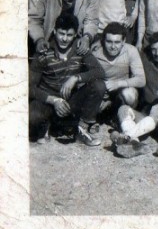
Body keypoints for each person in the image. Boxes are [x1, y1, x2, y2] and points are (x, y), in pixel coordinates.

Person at [29, 13, 105, 146]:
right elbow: (29, 87)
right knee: (32, 115)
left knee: (99, 85)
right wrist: (53, 100)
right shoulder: (44, 51)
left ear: (75, 34)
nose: (64, 39)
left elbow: (99, 72)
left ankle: (82, 127)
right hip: (48, 101)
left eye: (69, 35)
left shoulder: (80, 49)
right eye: (61, 33)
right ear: (54, 31)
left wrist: (76, 77)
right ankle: (48, 124)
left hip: (71, 101)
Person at [91, 22, 145, 115]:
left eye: (117, 42)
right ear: (103, 40)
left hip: (120, 92)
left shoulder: (131, 50)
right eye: (109, 42)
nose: (113, 46)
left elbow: (141, 80)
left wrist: (118, 84)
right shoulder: (96, 52)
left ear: (123, 41)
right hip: (102, 92)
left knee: (130, 94)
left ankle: (125, 118)